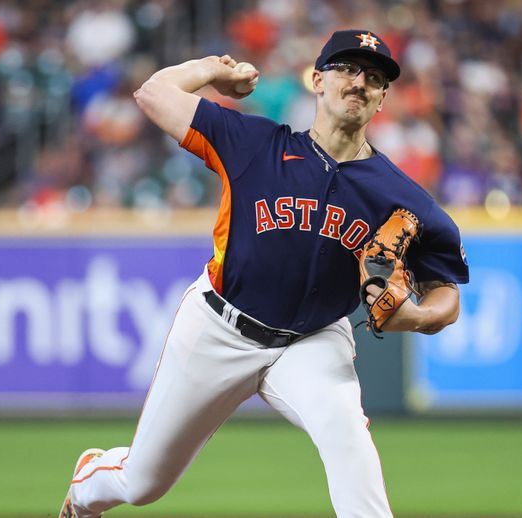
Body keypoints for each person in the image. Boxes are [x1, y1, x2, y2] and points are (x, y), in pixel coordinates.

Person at [59, 29, 469, 518]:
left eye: (375, 78)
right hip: (219, 327)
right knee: (143, 482)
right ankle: (88, 486)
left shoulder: (404, 198)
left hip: (313, 340)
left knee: (349, 441)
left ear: (383, 99)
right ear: (317, 81)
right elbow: (153, 93)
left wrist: (421, 318)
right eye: (347, 69)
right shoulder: (255, 143)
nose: (360, 82)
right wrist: (213, 69)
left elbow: (446, 288)